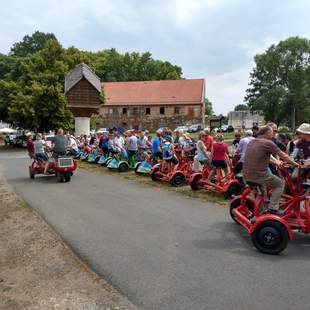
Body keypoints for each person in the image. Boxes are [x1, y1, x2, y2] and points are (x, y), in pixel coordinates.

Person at [242, 126, 299, 215]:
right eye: (273, 132)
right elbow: (283, 155)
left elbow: (262, 157)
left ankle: (259, 212)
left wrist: (275, 162)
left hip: (246, 174)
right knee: (280, 184)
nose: (274, 134)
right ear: (268, 133)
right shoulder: (268, 143)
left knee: (263, 191)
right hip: (259, 175)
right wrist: (295, 164)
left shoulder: (252, 142)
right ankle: (273, 209)